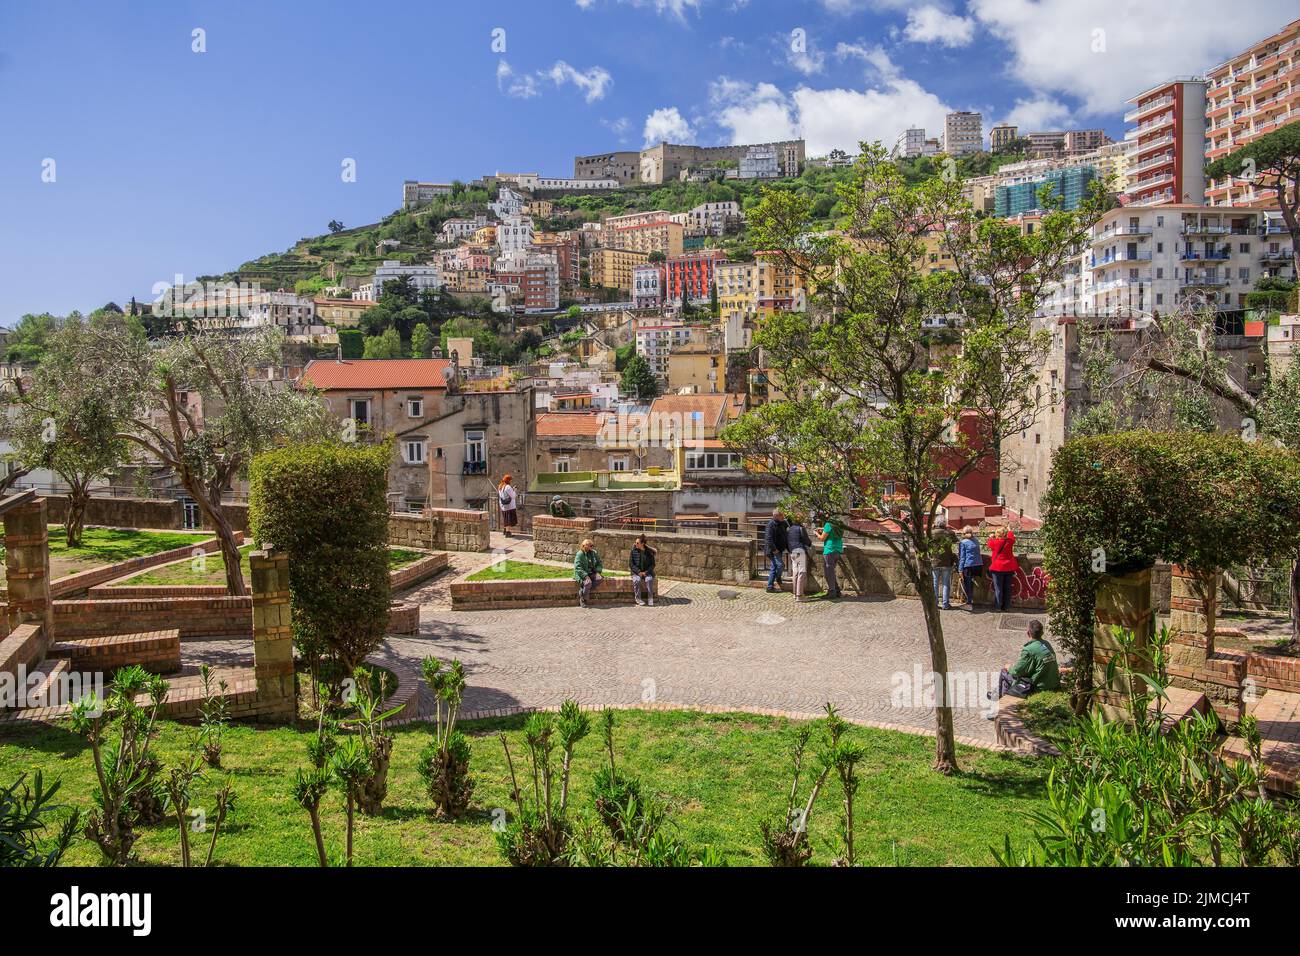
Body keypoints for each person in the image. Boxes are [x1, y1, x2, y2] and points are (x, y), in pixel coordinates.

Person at [988, 620, 1061, 714]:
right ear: (1042, 633)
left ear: (1028, 633)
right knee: (1010, 675)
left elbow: (1017, 671)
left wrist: (1009, 667)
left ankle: (1000, 708)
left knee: (1005, 673)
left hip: (1038, 686)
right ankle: (998, 696)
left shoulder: (1029, 649)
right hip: (1052, 683)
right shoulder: (1046, 644)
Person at [988, 525, 1019, 612]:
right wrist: (1009, 529)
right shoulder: (1010, 541)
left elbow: (989, 544)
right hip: (1009, 567)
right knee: (1008, 588)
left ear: (997, 535)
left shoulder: (994, 542)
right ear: (1005, 534)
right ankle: (1007, 607)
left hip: (997, 568)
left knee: (998, 589)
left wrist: (991, 537)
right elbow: (1012, 536)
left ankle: (998, 607)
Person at [928, 516, 957, 610]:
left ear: (936, 523)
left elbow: (926, 543)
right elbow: (956, 541)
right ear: (945, 523)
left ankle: (935, 603)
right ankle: (945, 604)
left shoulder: (931, 533)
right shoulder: (949, 533)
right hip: (946, 561)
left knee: (935, 583)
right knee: (946, 584)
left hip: (934, 561)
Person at [816, 517, 844, 599]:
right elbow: (833, 532)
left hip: (829, 549)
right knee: (831, 571)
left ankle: (832, 592)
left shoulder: (828, 524)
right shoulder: (839, 524)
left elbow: (822, 538)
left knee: (828, 573)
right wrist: (823, 529)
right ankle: (837, 590)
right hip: (838, 549)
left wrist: (816, 533)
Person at [786, 516, 813, 602]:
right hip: (800, 551)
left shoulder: (789, 529)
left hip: (792, 552)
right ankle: (799, 595)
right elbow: (807, 541)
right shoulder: (801, 529)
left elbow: (787, 542)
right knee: (801, 573)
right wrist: (809, 544)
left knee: (795, 573)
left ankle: (795, 594)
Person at [763, 509, 789, 593]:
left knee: (775, 566)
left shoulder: (782, 523)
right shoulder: (770, 525)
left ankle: (772, 584)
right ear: (776, 516)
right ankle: (771, 585)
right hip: (773, 550)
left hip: (779, 549)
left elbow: (789, 526)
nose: (783, 517)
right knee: (779, 565)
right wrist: (774, 550)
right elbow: (768, 539)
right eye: (782, 515)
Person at [957, 529, 983, 609]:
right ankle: (971, 601)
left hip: (968, 565)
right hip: (978, 564)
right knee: (971, 584)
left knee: (967, 584)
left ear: (964, 533)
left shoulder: (963, 542)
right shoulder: (976, 540)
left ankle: (969, 603)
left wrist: (960, 569)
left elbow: (962, 557)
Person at [573, 538, 603, 609]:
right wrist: (585, 576)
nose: (592, 547)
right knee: (588, 583)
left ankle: (583, 590)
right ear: (585, 546)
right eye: (590, 546)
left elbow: (599, 563)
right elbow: (577, 567)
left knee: (600, 579)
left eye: (592, 546)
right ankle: (582, 599)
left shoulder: (593, 553)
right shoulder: (579, 554)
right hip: (581, 574)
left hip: (591, 572)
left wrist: (598, 571)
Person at [630, 534, 657, 607]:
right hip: (636, 572)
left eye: (637, 543)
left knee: (649, 580)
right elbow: (631, 564)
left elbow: (653, 564)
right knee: (637, 580)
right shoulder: (633, 551)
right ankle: (638, 599)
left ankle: (650, 599)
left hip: (647, 572)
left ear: (642, 544)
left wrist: (646, 572)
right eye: (635, 542)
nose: (635, 544)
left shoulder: (649, 552)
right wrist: (639, 572)